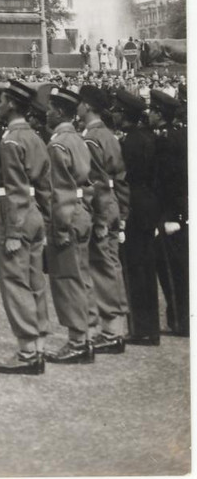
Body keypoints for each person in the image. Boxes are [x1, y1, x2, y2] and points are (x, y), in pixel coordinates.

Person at [0, 80, 52, 375]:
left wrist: (13, 231)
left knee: (15, 283)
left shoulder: (12, 140)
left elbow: (14, 187)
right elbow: (45, 185)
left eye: (2, 101)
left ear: (12, 104)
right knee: (35, 281)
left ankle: (27, 351)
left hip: (13, 212)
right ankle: (37, 346)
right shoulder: (35, 137)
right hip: (34, 212)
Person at [43, 86, 95, 363]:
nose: (46, 113)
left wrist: (60, 227)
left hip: (67, 217)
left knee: (67, 281)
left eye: (51, 108)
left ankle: (77, 342)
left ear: (60, 112)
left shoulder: (57, 143)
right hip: (81, 212)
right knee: (81, 278)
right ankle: (84, 338)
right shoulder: (77, 139)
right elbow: (86, 182)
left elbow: (60, 190)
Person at [77, 85, 129, 354]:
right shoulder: (108, 135)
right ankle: (115, 328)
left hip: (100, 205)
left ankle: (111, 330)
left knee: (102, 266)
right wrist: (122, 214)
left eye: (79, 103)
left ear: (86, 106)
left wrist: (97, 219)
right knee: (111, 263)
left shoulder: (91, 137)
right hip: (112, 204)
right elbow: (120, 179)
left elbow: (96, 182)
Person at [111, 88, 160, 346]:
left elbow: (125, 179)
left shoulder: (129, 142)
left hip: (134, 206)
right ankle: (149, 328)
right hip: (148, 204)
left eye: (117, 111)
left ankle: (142, 329)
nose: (114, 115)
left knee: (136, 269)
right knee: (146, 268)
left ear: (124, 114)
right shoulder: (148, 137)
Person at [150, 89, 188, 336]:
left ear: (159, 114)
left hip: (171, 212)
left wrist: (174, 215)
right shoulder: (179, 136)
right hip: (175, 210)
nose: (149, 115)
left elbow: (174, 180)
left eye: (152, 111)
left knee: (173, 269)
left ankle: (181, 321)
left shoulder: (167, 141)